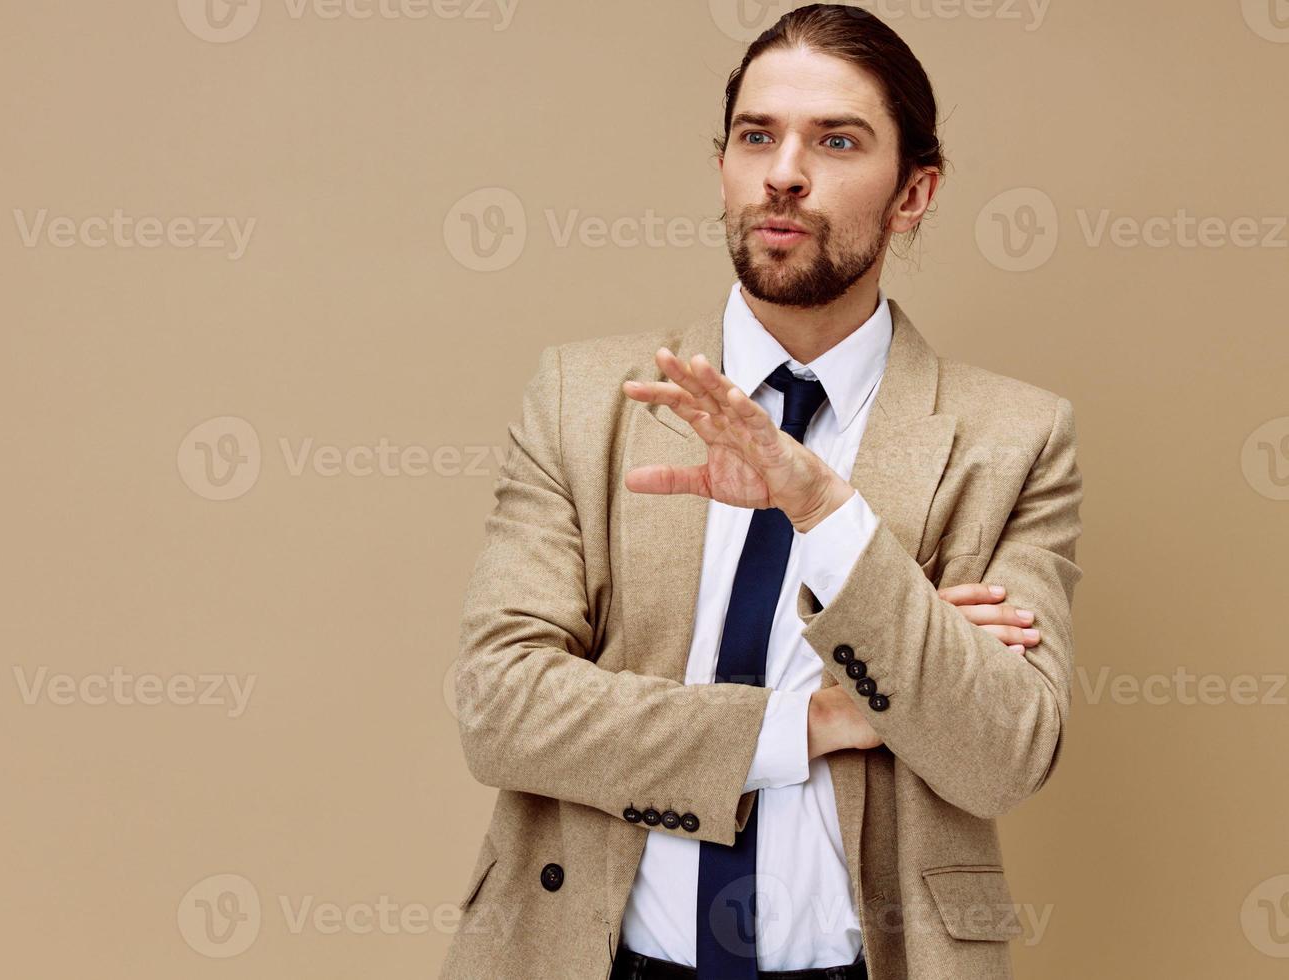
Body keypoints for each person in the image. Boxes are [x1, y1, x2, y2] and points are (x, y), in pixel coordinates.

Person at [441, 5, 1083, 978]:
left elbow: (998, 749)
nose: (785, 169)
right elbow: (500, 705)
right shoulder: (582, 398)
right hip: (594, 955)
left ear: (915, 192)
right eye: (757, 135)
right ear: (724, 168)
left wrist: (829, 513)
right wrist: (816, 720)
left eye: (835, 139)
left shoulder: (1015, 440)